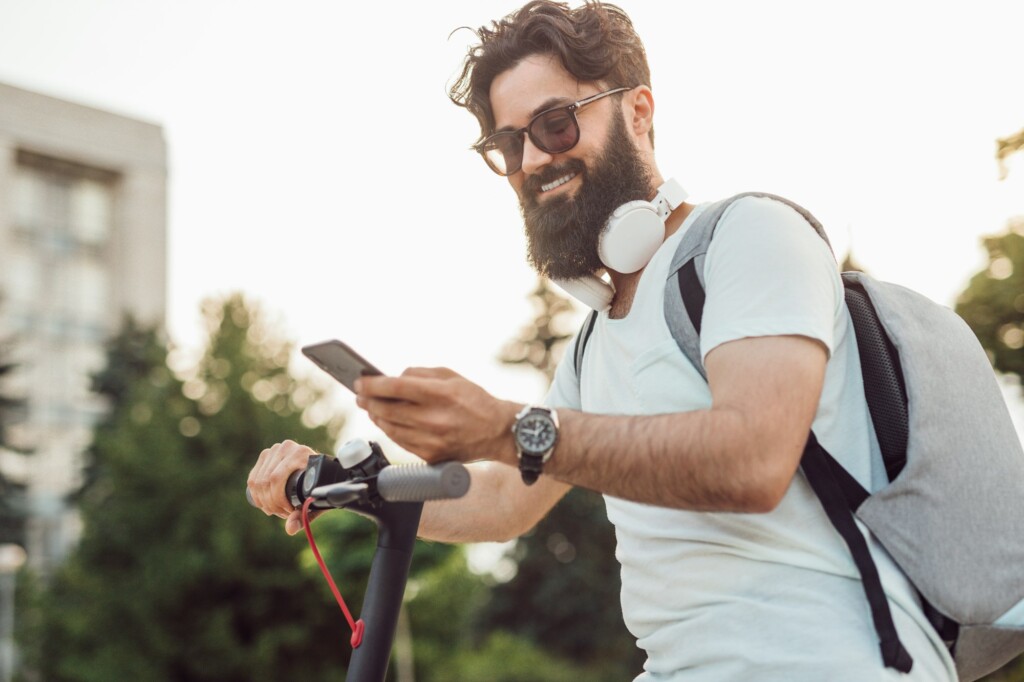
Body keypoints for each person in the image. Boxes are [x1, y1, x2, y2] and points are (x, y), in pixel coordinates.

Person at [247, 2, 958, 679]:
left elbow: (753, 459)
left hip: (832, 663)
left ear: (638, 111)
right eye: (508, 142)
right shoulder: (596, 339)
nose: (530, 159)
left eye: (555, 124)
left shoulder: (748, 236)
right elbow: (501, 503)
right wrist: (354, 487)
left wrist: (506, 428)